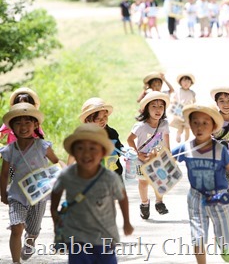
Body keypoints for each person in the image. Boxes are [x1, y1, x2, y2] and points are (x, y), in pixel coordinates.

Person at [172, 103, 229, 264]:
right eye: (195, 122)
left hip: (218, 196)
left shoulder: (220, 150)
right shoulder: (185, 148)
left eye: (205, 123)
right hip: (195, 197)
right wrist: (153, 158)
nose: (200, 127)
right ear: (190, 124)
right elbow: (165, 160)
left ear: (214, 126)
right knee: (197, 235)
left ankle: (224, 243)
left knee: (223, 230)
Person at [51, 124, 133, 263]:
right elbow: (56, 192)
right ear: (73, 152)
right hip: (77, 237)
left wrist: (127, 222)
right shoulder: (67, 175)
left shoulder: (110, 178)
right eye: (80, 148)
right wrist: (55, 214)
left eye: (92, 149)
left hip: (105, 236)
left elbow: (122, 197)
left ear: (102, 152)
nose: (86, 154)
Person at [1, 103, 62, 263]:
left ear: (35, 125)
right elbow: (5, 174)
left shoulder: (42, 146)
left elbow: (56, 162)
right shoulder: (9, 150)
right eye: (18, 123)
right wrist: (3, 193)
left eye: (27, 123)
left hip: (38, 195)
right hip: (17, 195)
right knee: (16, 227)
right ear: (12, 127)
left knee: (33, 229)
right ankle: (16, 261)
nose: (23, 127)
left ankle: (31, 241)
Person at [127, 91, 171, 219]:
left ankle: (159, 202)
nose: (158, 110)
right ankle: (144, 204)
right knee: (143, 183)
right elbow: (129, 140)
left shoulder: (164, 124)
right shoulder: (140, 126)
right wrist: (138, 155)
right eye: (154, 106)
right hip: (142, 160)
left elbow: (167, 142)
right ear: (146, 109)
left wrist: (168, 155)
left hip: (158, 158)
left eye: (161, 106)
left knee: (160, 180)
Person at [65, 98, 125, 177]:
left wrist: (124, 152)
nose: (102, 121)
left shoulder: (112, 133)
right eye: (98, 119)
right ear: (87, 121)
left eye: (105, 116)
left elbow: (119, 148)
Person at [169, 73, 196, 143]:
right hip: (179, 110)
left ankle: (186, 141)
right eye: (184, 81)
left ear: (191, 83)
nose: (186, 83)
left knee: (187, 127)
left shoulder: (192, 93)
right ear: (180, 82)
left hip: (188, 111)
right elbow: (173, 99)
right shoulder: (178, 91)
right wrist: (173, 102)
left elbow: (194, 101)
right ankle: (178, 135)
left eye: (188, 81)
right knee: (180, 126)